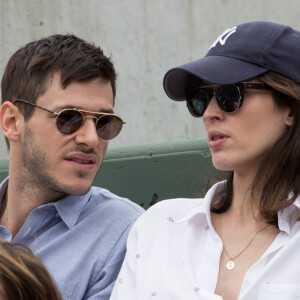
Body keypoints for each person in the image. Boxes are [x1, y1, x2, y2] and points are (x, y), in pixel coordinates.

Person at [110, 21, 300, 300]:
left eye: (229, 95)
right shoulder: (160, 227)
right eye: (199, 99)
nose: (209, 113)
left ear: (290, 107)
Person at [0, 34, 144, 299]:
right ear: (12, 122)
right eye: (69, 118)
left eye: (104, 122)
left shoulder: (128, 236)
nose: (91, 139)